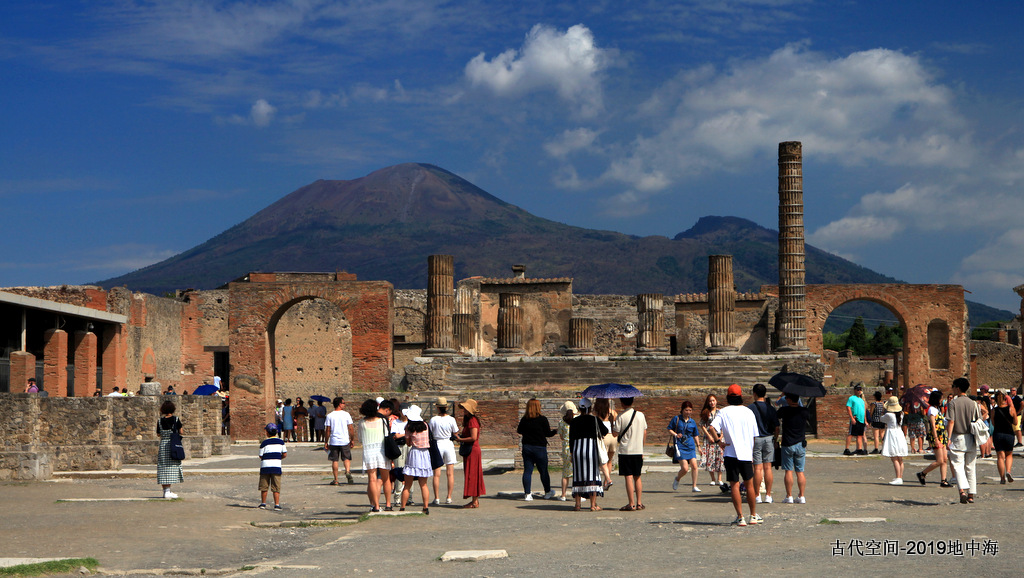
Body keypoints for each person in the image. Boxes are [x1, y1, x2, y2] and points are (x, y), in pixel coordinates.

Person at [710, 384, 760, 526]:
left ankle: (740, 517)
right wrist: (750, 449)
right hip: (745, 453)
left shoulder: (723, 412)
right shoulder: (749, 412)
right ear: (740, 396)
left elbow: (712, 427)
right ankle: (753, 515)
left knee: (734, 485)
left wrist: (719, 441)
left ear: (728, 397)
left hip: (730, 452)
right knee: (750, 485)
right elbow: (755, 436)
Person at [569, 399, 607, 511]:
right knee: (593, 476)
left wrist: (572, 453)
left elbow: (571, 439)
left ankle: (577, 504)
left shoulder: (574, 421)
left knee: (578, 476)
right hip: (591, 449)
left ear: (579, 408)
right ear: (590, 408)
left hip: (577, 450)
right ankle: (593, 505)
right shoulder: (594, 420)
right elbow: (604, 431)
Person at [517, 398, 558, 500]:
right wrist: (555, 431)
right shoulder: (542, 419)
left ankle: (527, 493)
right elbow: (548, 433)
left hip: (527, 447)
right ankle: (547, 491)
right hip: (539, 447)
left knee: (527, 471)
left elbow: (519, 430)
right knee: (543, 471)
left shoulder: (524, 419)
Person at [613, 397, 647, 511]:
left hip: (625, 451)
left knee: (628, 476)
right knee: (637, 476)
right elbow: (644, 431)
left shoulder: (621, 416)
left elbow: (614, 433)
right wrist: (642, 447)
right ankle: (639, 503)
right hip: (638, 450)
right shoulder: (641, 415)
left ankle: (631, 503)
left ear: (622, 403)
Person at [357, 399, 390, 512]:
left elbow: (360, 439)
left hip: (368, 451)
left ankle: (375, 505)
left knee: (372, 479)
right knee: (386, 479)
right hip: (381, 451)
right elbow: (387, 435)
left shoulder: (361, 423)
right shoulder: (382, 421)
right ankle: (388, 504)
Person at [398, 405, 432, 515]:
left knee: (407, 484)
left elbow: (408, 443)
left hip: (414, 452)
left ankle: (402, 507)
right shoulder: (425, 425)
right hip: (425, 453)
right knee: (424, 484)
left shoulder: (408, 427)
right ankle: (425, 507)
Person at [748, 383, 778, 503]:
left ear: (754, 394)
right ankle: (768, 495)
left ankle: (757, 495)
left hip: (756, 439)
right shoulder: (770, 408)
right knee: (768, 468)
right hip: (769, 438)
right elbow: (777, 427)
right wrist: (775, 440)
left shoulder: (750, 408)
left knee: (757, 468)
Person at [777, 393, 808, 503]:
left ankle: (789, 496)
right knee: (800, 471)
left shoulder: (784, 410)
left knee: (788, 471)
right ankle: (801, 496)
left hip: (788, 443)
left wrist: (781, 396)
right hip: (800, 443)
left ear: (789, 399)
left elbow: (777, 414)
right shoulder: (804, 411)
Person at [917, 389, 951, 487]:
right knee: (940, 460)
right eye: (941, 398)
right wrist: (936, 439)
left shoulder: (938, 410)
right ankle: (922, 473)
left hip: (942, 435)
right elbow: (932, 425)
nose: (942, 400)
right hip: (937, 436)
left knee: (944, 459)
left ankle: (943, 480)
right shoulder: (932, 410)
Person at [428, 397, 459, 505]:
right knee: (450, 473)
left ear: (437, 407)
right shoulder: (451, 419)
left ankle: (436, 497)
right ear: (446, 407)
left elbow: (430, 432)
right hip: (448, 444)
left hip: (437, 444)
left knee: (436, 474)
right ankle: (449, 497)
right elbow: (455, 432)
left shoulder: (433, 420)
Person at [456, 399, 485, 508]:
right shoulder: (469, 420)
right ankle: (474, 500)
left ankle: (474, 501)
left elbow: (473, 437)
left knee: (472, 475)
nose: (463, 410)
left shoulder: (472, 421)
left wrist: (460, 440)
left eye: (465, 408)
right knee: (471, 474)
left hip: (473, 450)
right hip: (471, 450)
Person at [668, 401, 701, 492]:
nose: (688, 412)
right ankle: (677, 478)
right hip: (680, 446)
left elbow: (695, 434)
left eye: (690, 410)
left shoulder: (692, 421)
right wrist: (675, 434)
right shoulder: (677, 419)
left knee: (694, 465)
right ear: (682, 410)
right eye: (686, 410)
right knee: (685, 468)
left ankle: (694, 486)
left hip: (690, 445)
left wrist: (698, 446)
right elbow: (669, 429)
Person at [156, 400, 184, 499]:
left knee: (163, 467)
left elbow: (158, 434)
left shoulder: (159, 421)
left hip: (163, 445)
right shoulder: (176, 420)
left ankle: (166, 491)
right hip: (173, 445)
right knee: (172, 467)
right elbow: (181, 431)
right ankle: (168, 491)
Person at [324, 397, 355, 485]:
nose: (344, 404)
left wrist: (326, 441)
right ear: (339, 404)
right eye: (343, 403)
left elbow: (328, 430)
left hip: (334, 441)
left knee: (335, 460)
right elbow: (351, 428)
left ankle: (336, 479)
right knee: (346, 458)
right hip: (344, 440)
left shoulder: (330, 416)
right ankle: (348, 471)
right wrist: (352, 439)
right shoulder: (346, 415)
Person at [258, 423, 287, 510]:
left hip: (265, 467)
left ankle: (263, 503)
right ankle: (277, 504)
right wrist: (278, 458)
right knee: (276, 487)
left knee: (264, 486)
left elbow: (260, 455)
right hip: (276, 467)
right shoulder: (281, 442)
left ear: (267, 432)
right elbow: (284, 454)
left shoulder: (264, 443)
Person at [698, 394, 725, 489]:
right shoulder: (706, 412)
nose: (712, 402)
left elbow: (723, 425)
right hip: (709, 438)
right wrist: (709, 435)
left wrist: (721, 436)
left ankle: (720, 478)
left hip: (719, 436)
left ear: (716, 401)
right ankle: (713, 478)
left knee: (720, 457)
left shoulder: (720, 412)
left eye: (713, 400)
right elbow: (702, 425)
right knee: (711, 457)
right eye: (710, 401)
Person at [880, 396, 908, 484]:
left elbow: (881, 419)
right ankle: (900, 477)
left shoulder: (888, 415)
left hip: (892, 434)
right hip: (899, 433)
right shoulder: (901, 413)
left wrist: (883, 410)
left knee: (894, 457)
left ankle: (898, 477)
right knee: (900, 458)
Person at [592, 398, 618, 490]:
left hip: (604, 437)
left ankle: (607, 479)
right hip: (613, 437)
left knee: (603, 461)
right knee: (610, 460)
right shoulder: (613, 412)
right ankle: (606, 481)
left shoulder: (596, 413)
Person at [991, 391, 1016, 484]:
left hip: (998, 434)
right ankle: (1008, 471)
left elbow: (993, 423)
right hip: (1009, 434)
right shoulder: (1011, 408)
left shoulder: (994, 410)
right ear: (1005, 398)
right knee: (1009, 454)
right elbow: (1015, 422)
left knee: (1000, 457)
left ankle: (1002, 478)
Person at [558, 401, 578, 501]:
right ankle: (578, 495)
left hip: (566, 446)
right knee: (577, 472)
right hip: (577, 446)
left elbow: (561, 436)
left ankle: (563, 494)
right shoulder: (578, 420)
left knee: (566, 473)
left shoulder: (561, 422)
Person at [844, 384, 867, 455]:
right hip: (855, 418)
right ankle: (846, 449)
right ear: (855, 390)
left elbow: (864, 410)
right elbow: (848, 408)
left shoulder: (861, 400)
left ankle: (859, 449)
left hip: (861, 419)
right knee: (851, 434)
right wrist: (851, 418)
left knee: (860, 435)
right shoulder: (851, 398)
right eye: (858, 389)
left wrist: (865, 420)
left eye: (860, 389)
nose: (859, 391)